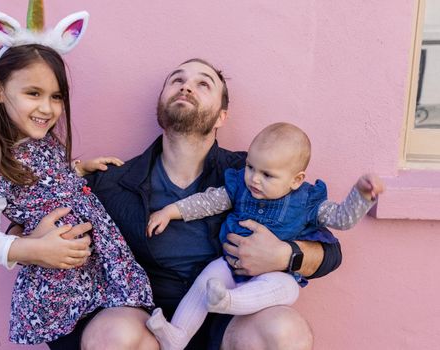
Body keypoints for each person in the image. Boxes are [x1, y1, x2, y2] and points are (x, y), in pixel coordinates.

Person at [54, 58, 343, 349]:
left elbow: (330, 253)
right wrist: (24, 241)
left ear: (221, 116)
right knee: (112, 334)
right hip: (146, 318)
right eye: (177, 80)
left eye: (203, 83)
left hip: (228, 315)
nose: (187, 87)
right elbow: (36, 215)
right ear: (160, 105)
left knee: (285, 330)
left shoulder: (254, 175)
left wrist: (286, 255)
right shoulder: (114, 181)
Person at [0, 6, 153, 346]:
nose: (47, 108)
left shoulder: (45, 140)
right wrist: (35, 250)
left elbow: (46, 179)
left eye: (56, 97)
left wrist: (80, 168)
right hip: (59, 282)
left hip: (97, 268)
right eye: (32, 93)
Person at [142, 122, 384, 349]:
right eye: (250, 167)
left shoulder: (308, 202)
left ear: (296, 180)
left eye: (267, 175)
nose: (254, 179)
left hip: (272, 276)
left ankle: (229, 301)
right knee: (206, 281)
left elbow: (341, 219)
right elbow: (208, 201)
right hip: (230, 265)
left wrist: (361, 196)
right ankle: (177, 336)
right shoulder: (240, 187)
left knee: (288, 288)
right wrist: (170, 212)